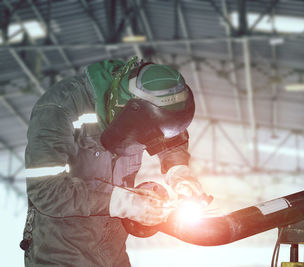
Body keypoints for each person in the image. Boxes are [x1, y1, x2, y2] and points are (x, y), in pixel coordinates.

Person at [21, 57, 205, 266]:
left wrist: (178, 171)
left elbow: (170, 137)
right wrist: (122, 203)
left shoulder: (153, 105)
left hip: (113, 252)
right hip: (61, 253)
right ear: (127, 108)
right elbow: (44, 190)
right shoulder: (59, 107)